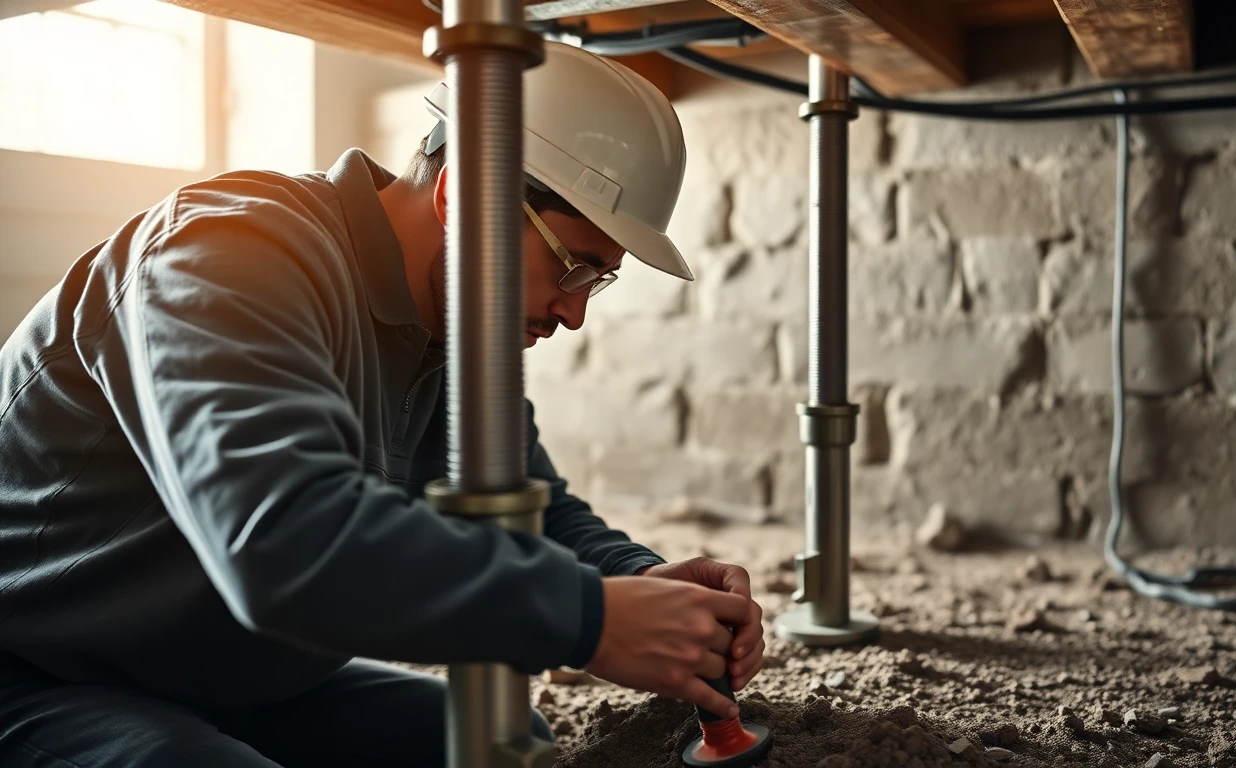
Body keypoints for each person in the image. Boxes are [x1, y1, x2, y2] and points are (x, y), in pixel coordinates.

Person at [0, 42, 765, 767]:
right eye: (574, 267)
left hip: (234, 675)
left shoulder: (455, 328)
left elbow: (520, 508)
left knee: (496, 740)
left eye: (598, 280)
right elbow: (282, 542)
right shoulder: (226, 258)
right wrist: (587, 618)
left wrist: (637, 579)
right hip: (39, 673)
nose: (574, 313)